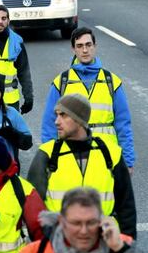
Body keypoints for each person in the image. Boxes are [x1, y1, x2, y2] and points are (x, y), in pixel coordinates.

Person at [28, 94, 136, 238]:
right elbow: (32, 209)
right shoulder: (46, 154)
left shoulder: (111, 154)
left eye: (63, 115)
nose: (56, 122)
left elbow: (126, 207)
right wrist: (45, 242)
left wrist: (126, 247)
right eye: (57, 115)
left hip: (104, 245)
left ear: (80, 120)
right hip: (60, 245)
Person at [41, 27, 136, 172]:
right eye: (79, 46)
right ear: (73, 49)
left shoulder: (112, 81)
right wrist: (49, 159)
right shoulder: (62, 82)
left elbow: (123, 124)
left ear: (94, 47)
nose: (85, 50)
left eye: (88, 45)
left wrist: (128, 161)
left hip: (107, 157)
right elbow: (49, 124)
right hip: (71, 156)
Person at [20, 187, 143, 253]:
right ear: (61, 221)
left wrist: (119, 249)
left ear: (101, 220)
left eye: (91, 222)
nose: (84, 231)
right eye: (76, 223)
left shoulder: (122, 244)